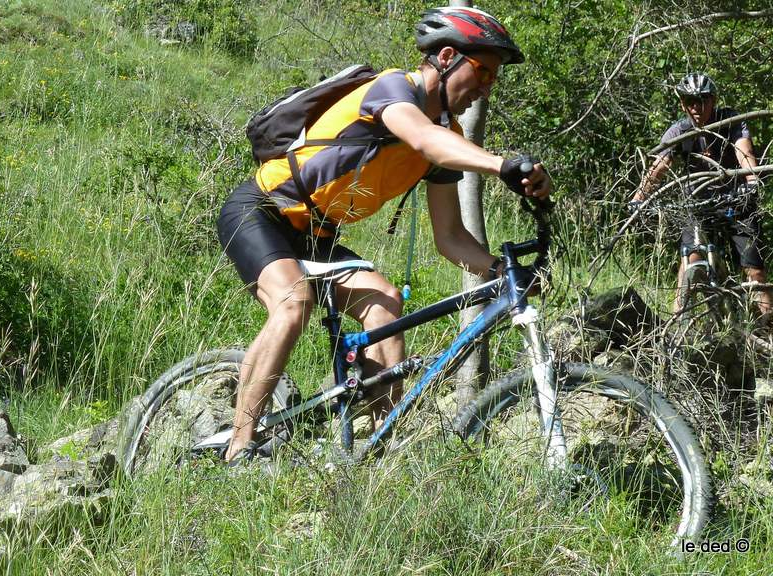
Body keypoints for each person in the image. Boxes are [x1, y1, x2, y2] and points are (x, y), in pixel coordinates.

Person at [216, 7, 551, 462]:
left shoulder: (446, 135)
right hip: (262, 211)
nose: (487, 86)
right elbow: (421, 139)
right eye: (483, 71)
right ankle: (240, 446)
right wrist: (499, 165)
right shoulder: (394, 89)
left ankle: (378, 450)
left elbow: (450, 238)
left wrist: (504, 271)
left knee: (385, 305)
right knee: (293, 303)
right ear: (448, 56)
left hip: (318, 233)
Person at [632, 72, 768, 315]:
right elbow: (659, 167)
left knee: (755, 272)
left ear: (713, 100)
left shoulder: (730, 120)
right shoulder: (680, 131)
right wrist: (638, 198)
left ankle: (767, 332)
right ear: (683, 104)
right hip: (697, 205)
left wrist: (751, 179)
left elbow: (744, 152)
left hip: (737, 200)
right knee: (689, 262)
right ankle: (676, 328)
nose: (696, 107)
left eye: (703, 100)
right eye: (690, 101)